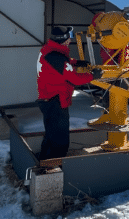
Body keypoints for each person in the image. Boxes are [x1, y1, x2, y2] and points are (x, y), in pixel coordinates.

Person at [36, 26, 94, 160]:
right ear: (64, 39)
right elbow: (74, 78)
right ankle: (55, 166)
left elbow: (63, 62)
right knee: (60, 139)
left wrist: (76, 62)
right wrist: (93, 76)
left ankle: (44, 160)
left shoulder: (48, 50)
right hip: (55, 100)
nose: (70, 40)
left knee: (51, 134)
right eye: (70, 37)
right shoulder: (55, 57)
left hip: (49, 98)